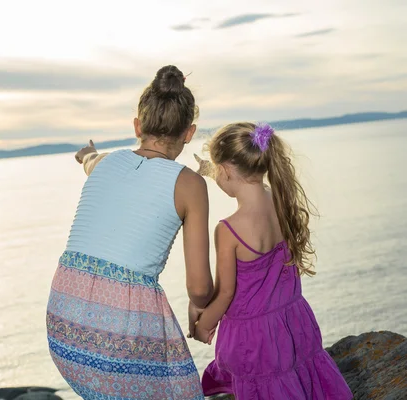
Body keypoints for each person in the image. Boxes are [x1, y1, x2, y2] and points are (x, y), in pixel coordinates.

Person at [46, 65, 213, 400]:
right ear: (189, 132)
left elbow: (91, 159)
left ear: (137, 126)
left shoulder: (106, 162)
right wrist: (203, 306)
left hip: (63, 325)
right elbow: (198, 288)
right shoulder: (190, 184)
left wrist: (85, 154)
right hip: (119, 336)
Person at [193, 122, 353, 399]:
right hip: (293, 323)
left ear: (226, 171)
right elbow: (242, 179)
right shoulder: (280, 200)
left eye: (216, 170)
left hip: (256, 340)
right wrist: (211, 170)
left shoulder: (228, 230)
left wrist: (204, 323)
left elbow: (226, 293)